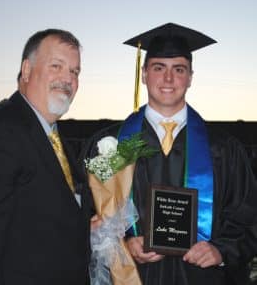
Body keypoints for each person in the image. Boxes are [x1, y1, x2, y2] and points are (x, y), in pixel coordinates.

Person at [84, 23, 257, 285]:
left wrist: (221, 250)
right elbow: (86, 217)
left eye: (178, 69)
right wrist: (123, 245)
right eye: (158, 68)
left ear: (190, 77)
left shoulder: (223, 148)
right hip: (133, 277)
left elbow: (249, 217)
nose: (168, 79)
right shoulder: (109, 145)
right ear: (143, 74)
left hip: (202, 278)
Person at [0, 29, 91, 285]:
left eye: (75, 72)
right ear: (27, 70)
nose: (67, 79)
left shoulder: (57, 141)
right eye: (56, 66)